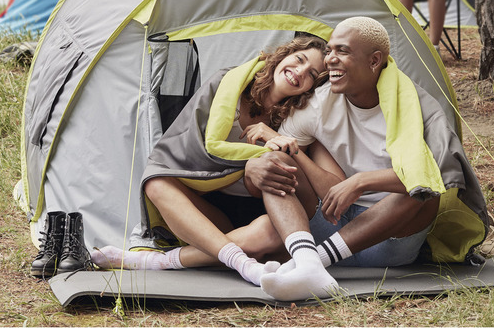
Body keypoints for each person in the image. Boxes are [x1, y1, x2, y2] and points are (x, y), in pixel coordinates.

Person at [243, 17, 489, 301]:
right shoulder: (317, 104)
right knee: (277, 159)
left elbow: (438, 175)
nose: (330, 60)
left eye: (342, 51)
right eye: (330, 50)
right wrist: (261, 162)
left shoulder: (418, 107)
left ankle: (315, 262)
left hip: (391, 240)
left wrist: (361, 182)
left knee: (422, 192)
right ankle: (306, 262)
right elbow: (275, 164)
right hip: (328, 222)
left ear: (374, 61)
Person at [90, 36, 328, 287]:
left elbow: (301, 186)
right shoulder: (227, 84)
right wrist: (248, 161)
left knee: (271, 233)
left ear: (310, 88)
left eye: (311, 74)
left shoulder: (297, 118)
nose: (299, 72)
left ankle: (155, 261)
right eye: (299, 59)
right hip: (207, 204)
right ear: (282, 55)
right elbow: (183, 145)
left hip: (252, 215)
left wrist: (274, 144)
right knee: (156, 183)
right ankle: (243, 263)